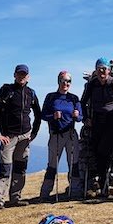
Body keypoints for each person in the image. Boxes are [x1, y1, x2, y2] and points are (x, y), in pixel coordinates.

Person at [0, 64, 42, 209]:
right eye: (19, 74)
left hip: (25, 136)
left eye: (24, 74)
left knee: (20, 167)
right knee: (5, 168)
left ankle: (15, 198)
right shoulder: (7, 91)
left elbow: (38, 115)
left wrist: (34, 133)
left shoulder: (31, 93)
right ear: (14, 75)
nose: (22, 77)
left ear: (28, 77)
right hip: (9, 137)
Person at [79, 57, 113, 197]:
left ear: (109, 70)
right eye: (99, 68)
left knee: (104, 151)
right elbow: (82, 102)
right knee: (96, 151)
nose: (102, 71)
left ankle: (102, 184)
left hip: (112, 122)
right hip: (96, 122)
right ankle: (100, 185)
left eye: (104, 68)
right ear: (95, 70)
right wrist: (86, 118)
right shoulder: (92, 84)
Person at [39, 70, 84, 201]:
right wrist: (53, 116)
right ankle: (45, 194)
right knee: (52, 164)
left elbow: (81, 117)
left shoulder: (74, 98)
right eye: (63, 80)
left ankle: (75, 192)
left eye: (68, 81)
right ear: (58, 81)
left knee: (74, 163)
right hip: (56, 135)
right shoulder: (51, 97)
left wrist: (77, 116)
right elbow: (43, 115)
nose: (66, 83)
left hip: (71, 134)